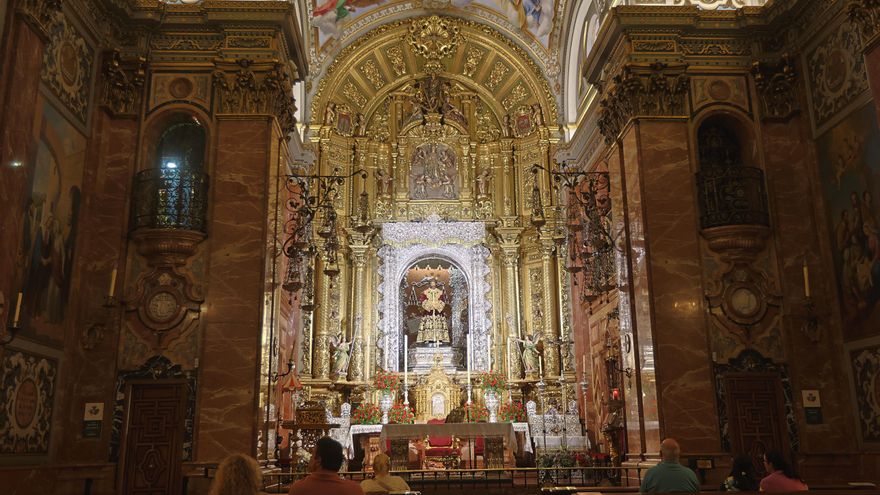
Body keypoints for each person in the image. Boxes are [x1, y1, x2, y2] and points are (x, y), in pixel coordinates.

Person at [289, 437, 364, 495]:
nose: (310, 459)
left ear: (318, 460)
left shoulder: (298, 489)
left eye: (312, 456)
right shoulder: (354, 490)